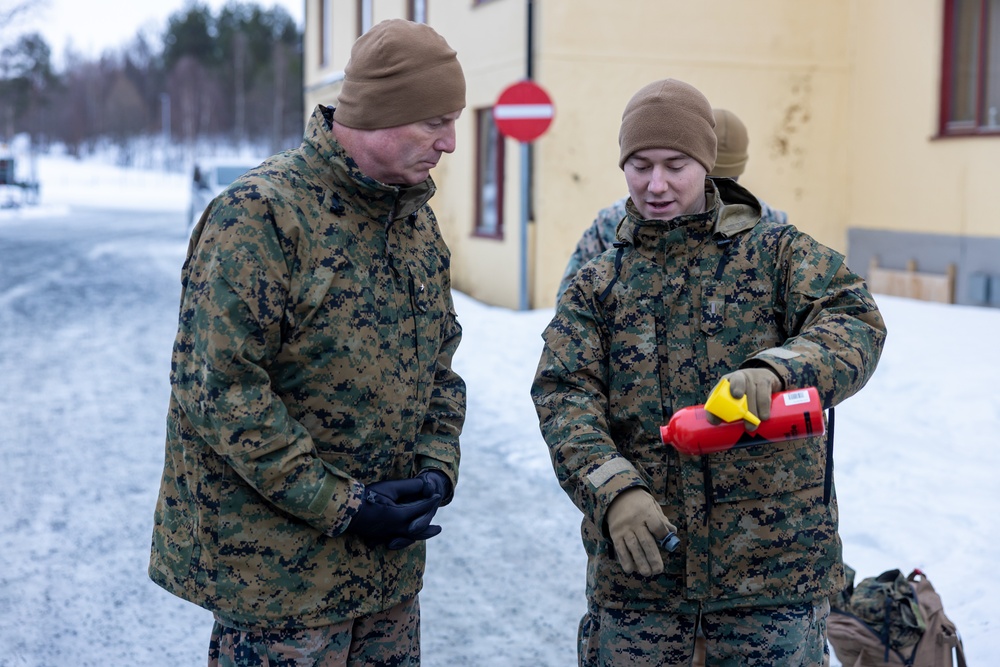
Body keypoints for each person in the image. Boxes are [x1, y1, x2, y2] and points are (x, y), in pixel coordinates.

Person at [531, 78, 886, 666]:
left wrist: (780, 368)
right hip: (642, 587)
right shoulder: (599, 284)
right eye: (640, 165)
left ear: (707, 162)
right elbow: (563, 394)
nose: (656, 184)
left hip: (770, 583)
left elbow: (855, 320)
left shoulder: (777, 255)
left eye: (676, 164)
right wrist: (612, 488)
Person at [148, 19, 467, 666]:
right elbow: (222, 392)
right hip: (280, 589)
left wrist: (436, 467)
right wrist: (346, 505)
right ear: (382, 111)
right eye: (435, 121)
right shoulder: (261, 216)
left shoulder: (412, 222)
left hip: (388, 580)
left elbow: (441, 363)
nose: (451, 143)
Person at [555, 107, 787, 303]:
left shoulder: (769, 226)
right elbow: (571, 308)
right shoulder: (615, 223)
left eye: (726, 183)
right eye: (708, 184)